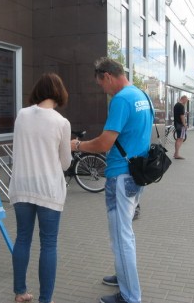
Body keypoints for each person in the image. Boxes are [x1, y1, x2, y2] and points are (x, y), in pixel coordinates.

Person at [70, 57, 153, 303]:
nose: (103, 91)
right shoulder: (141, 95)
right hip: (137, 174)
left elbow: (104, 142)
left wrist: (77, 145)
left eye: (101, 85)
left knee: (121, 236)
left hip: (120, 176)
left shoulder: (121, 100)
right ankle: (123, 275)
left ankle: (130, 296)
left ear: (107, 76)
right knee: (125, 232)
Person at [8, 72, 72, 303]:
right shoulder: (61, 122)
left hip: (22, 185)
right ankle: (46, 299)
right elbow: (65, 163)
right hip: (48, 188)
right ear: (59, 93)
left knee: (22, 238)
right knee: (49, 244)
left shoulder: (22, 115)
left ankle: (20, 292)